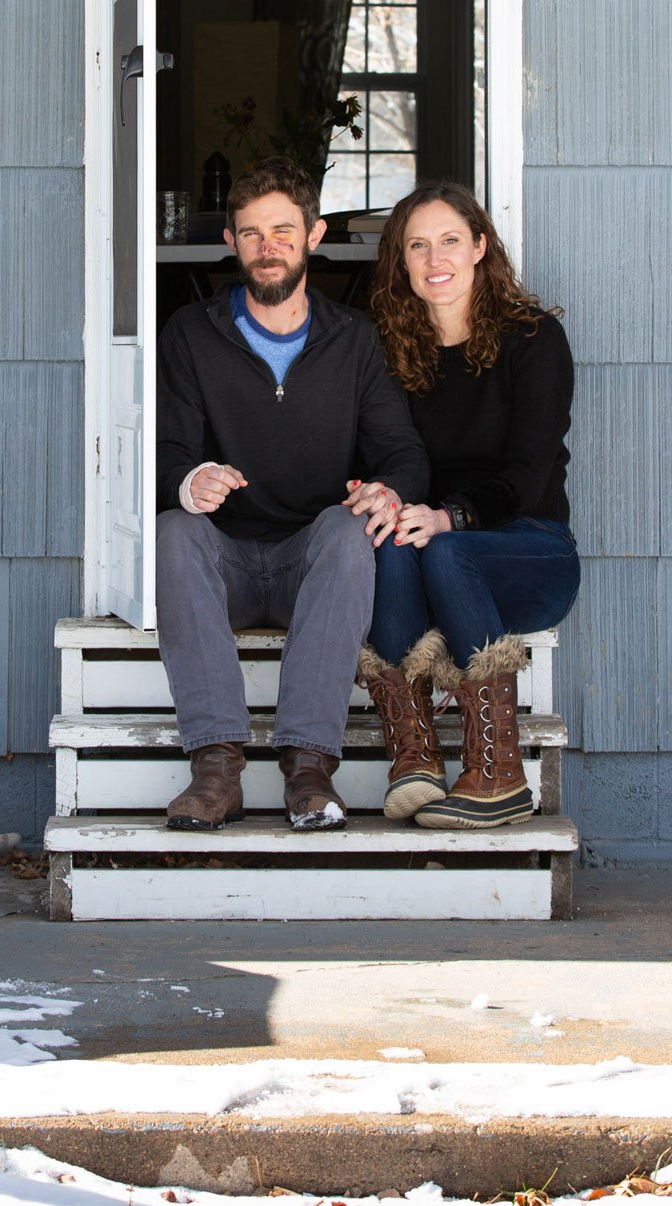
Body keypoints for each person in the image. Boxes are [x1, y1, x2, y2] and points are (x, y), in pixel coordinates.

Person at [155, 158, 429, 833]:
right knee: (173, 529)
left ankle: (308, 770)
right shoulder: (192, 333)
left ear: (313, 234)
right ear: (231, 244)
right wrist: (190, 482)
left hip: (310, 563)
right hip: (223, 562)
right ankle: (216, 771)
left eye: (282, 230)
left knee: (345, 528)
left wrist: (387, 490)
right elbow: (164, 451)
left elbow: (404, 454)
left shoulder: (353, 341)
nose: (266, 247)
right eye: (250, 234)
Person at [358, 181, 579, 832]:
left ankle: (498, 775)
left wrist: (449, 515)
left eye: (450, 240)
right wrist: (373, 490)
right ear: (401, 263)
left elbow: (527, 474)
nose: (435, 260)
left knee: (442, 545)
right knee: (392, 537)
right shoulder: (390, 350)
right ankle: (416, 760)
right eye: (416, 246)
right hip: (428, 555)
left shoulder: (534, 340)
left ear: (480, 247)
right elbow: (380, 455)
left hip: (526, 552)